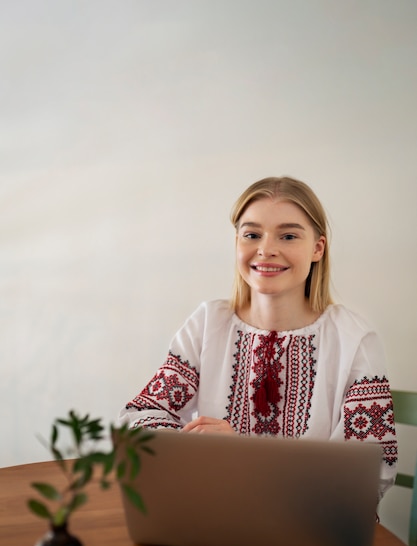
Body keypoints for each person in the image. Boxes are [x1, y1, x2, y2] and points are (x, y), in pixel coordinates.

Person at [118, 176, 398, 500]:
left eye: (288, 235)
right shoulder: (208, 323)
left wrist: (243, 456)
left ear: (317, 248)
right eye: (252, 234)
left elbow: (372, 469)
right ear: (237, 243)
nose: (266, 250)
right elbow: (137, 420)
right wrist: (191, 444)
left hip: (312, 524)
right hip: (213, 513)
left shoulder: (354, 340)